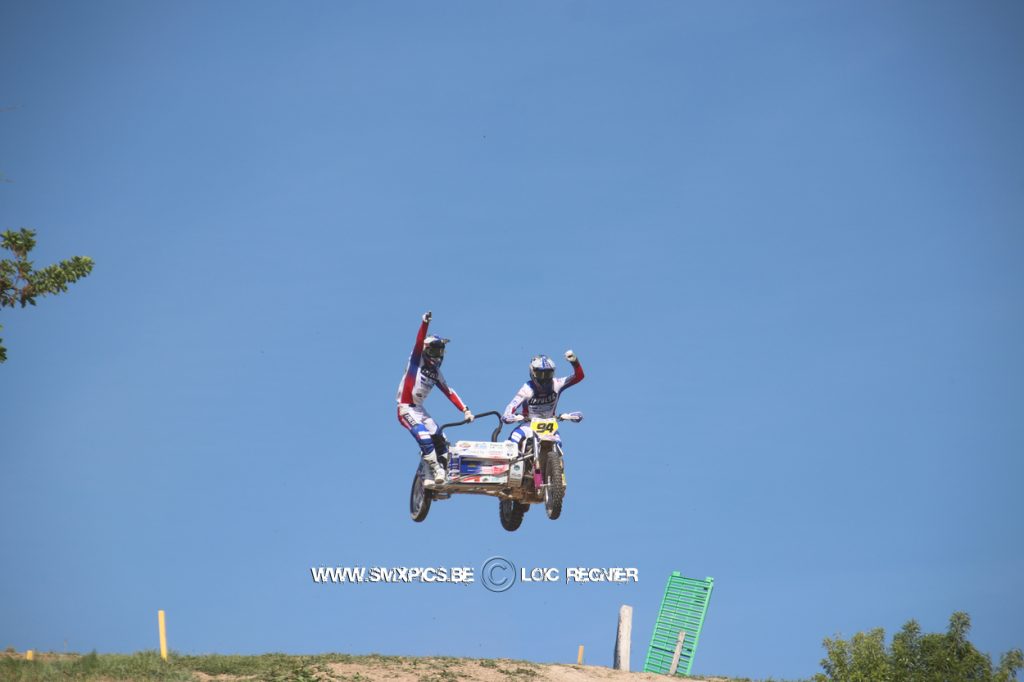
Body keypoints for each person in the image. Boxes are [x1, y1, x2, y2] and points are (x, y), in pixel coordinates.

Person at [397, 311, 474, 487]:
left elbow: (449, 392)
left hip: (419, 409)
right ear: (426, 350)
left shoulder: (436, 373)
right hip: (405, 408)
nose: (437, 355)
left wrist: (465, 410)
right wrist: (425, 323)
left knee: (440, 439)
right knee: (424, 436)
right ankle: (436, 469)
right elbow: (419, 341)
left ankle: (441, 468)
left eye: (440, 351)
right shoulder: (416, 361)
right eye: (433, 350)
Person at [501, 350, 584, 448]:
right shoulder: (527, 389)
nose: (544, 379)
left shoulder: (557, 383)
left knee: (558, 443)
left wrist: (575, 362)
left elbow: (579, 376)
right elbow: (512, 405)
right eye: (541, 374)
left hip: (549, 425)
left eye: (548, 374)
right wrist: (507, 415)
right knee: (515, 437)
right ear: (532, 372)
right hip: (528, 424)